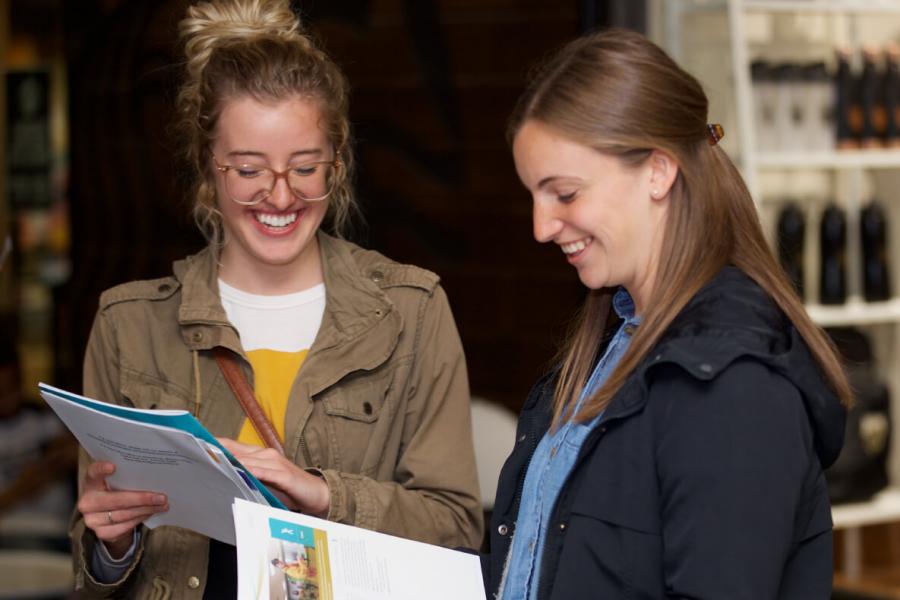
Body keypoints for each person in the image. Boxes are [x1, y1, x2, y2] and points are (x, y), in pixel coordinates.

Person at [69, 0, 482, 597]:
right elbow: (91, 563)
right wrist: (112, 544)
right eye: (248, 169)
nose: (280, 196)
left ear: (336, 167)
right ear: (208, 170)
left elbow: (456, 529)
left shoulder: (411, 312)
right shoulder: (127, 325)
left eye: (305, 167)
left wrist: (324, 493)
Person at [484, 29, 849, 599]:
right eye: (534, 194)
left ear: (658, 171)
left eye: (565, 193)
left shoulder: (732, 384)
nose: (541, 226)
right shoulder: (615, 344)